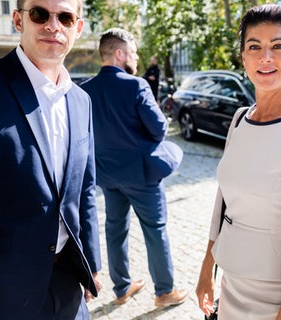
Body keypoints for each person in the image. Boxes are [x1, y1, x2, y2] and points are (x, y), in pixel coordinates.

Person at [196, 4, 281, 320]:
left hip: (277, 298)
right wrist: (207, 269)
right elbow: (224, 202)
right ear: (243, 57)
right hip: (231, 285)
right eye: (254, 47)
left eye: (278, 47)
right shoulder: (240, 119)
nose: (265, 57)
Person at [0, 0, 103, 318]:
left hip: (69, 283)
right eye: (40, 14)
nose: (53, 25)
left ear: (78, 27)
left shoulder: (81, 100)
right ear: (19, 20)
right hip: (1, 291)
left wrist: (92, 264)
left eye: (65, 17)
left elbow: (85, 189)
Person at [80, 28, 187, 309]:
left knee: (114, 230)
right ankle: (164, 292)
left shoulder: (84, 91)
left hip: (107, 176)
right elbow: (159, 129)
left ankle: (122, 288)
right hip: (141, 175)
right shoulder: (136, 85)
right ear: (120, 54)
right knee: (155, 229)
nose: (136, 57)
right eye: (134, 52)